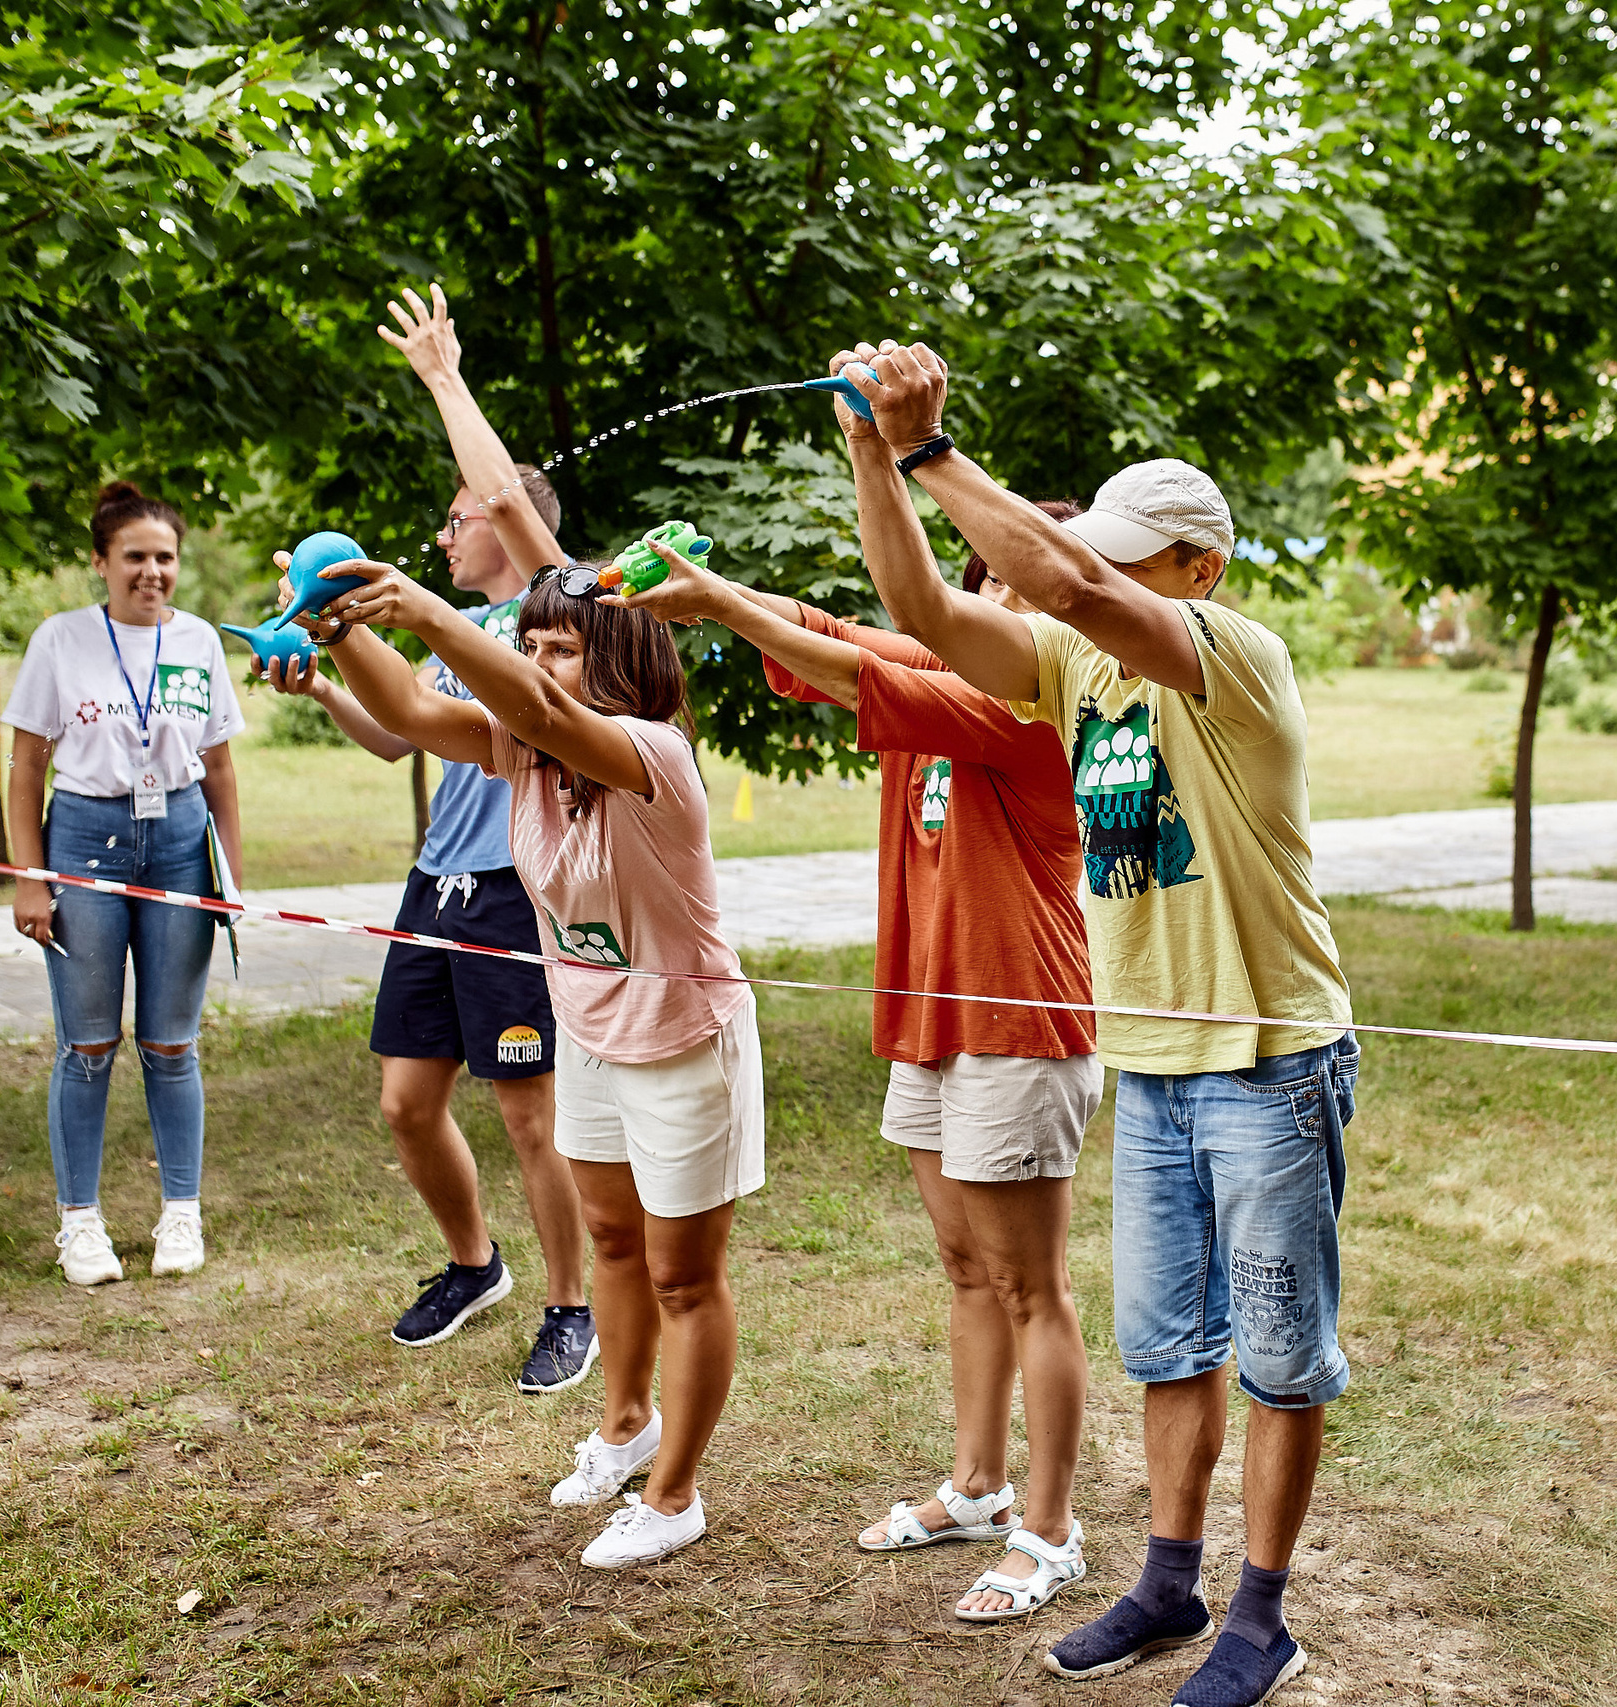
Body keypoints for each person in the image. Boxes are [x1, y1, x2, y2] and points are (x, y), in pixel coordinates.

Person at [830, 341, 1355, 1707]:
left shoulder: (1231, 659)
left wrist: (933, 445)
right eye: (1105, 556)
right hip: (1158, 1068)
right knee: (1169, 1345)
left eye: (1136, 560)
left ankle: (1263, 1611)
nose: (1101, 577)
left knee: (1281, 1356)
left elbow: (1058, 575)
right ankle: (1170, 1579)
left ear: (1198, 571)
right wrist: (874, 458)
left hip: (1270, 1061)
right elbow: (924, 607)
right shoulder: (1076, 674)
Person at [612, 496, 1100, 1622]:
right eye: (988, 579)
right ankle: (977, 1487)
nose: (1002, 602)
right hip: (930, 1021)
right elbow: (831, 636)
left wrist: (721, 605)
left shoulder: (1041, 705)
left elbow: (850, 678)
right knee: (966, 1269)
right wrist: (715, 591)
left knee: (1032, 1287)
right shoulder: (950, 656)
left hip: (1017, 1021)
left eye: (1032, 587)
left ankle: (1050, 1529)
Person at [295, 530, 762, 1572]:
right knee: (610, 1242)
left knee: (686, 1278)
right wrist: (338, 631)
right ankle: (625, 1423)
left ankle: (675, 1493)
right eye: (533, 644)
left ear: (621, 659)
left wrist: (423, 611)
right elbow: (414, 714)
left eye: (562, 647)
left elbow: (542, 708)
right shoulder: (527, 751)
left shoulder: (653, 754)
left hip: (687, 1044)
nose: (543, 665)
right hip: (591, 1033)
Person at [255, 286, 589, 1395]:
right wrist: (326, 664)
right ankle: (473, 1265)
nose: (444, 533)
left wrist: (445, 377)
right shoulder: (451, 638)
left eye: (455, 518)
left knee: (531, 1114)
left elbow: (499, 486)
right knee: (406, 1099)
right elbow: (401, 737)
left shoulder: (548, 618)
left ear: (501, 524)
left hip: (515, 891)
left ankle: (569, 1304)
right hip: (436, 884)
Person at [4, 482, 245, 1287]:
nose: (152, 571)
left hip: (179, 840)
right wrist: (30, 878)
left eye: (165, 557)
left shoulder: (201, 640)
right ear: (102, 562)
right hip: (83, 838)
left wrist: (229, 877)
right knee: (88, 1043)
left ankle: (182, 1212)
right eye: (135, 556)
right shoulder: (60, 640)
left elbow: (219, 767)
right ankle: (80, 1225)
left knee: (172, 1043)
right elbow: (26, 765)